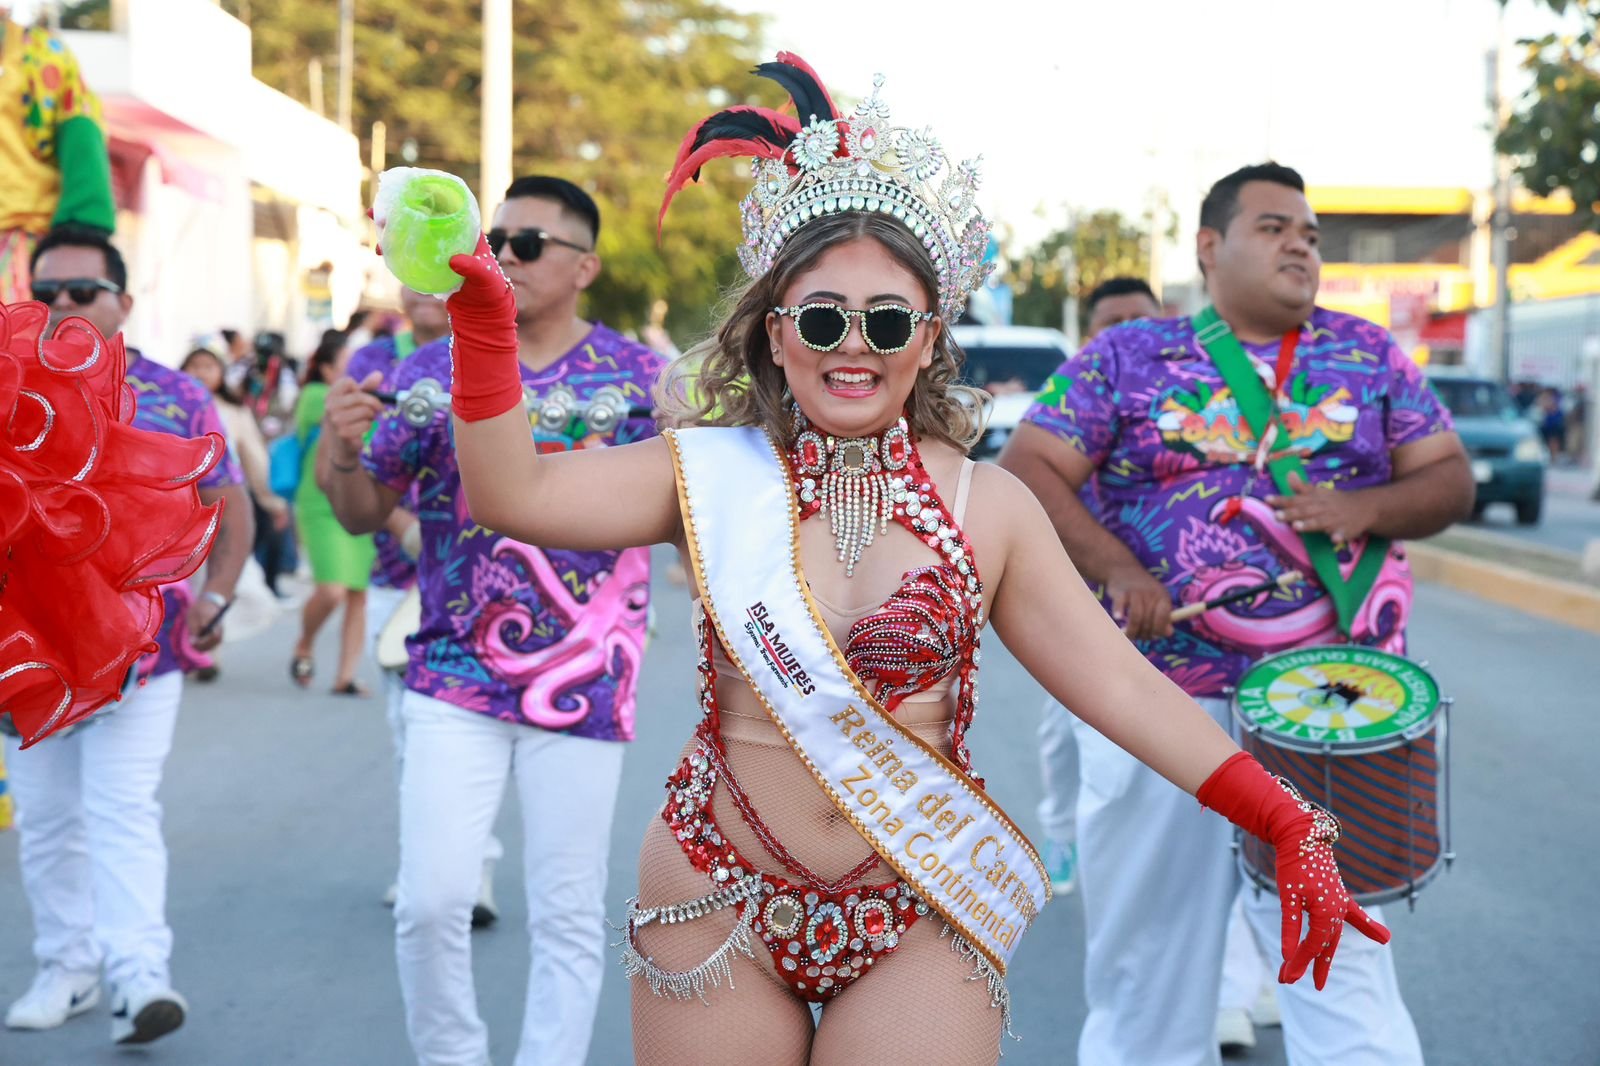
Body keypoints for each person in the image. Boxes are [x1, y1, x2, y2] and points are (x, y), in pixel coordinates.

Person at [431, 60, 1388, 1066]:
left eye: (887, 320)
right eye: (821, 317)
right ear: (773, 329)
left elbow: (1118, 685)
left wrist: (1282, 820)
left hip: (918, 905)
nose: (855, 346)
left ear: (928, 339)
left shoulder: (992, 507)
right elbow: (512, 496)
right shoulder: (703, 472)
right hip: (713, 888)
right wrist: (485, 332)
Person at [1000, 161, 1474, 1066]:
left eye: (1311, 233)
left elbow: (1449, 478)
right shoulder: (1125, 356)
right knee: (1151, 969)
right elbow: (1028, 470)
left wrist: (1363, 509)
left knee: (1342, 964)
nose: (1302, 242)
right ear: (1210, 249)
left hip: (1328, 710)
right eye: (1275, 227)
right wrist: (1118, 569)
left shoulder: (1367, 353)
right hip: (1157, 696)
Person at [320, 174, 666, 1066]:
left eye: (526, 244)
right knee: (431, 900)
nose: (501, 256)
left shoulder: (642, 381)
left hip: (586, 677)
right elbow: (361, 512)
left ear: (585, 265)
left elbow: (697, 513)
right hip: (450, 670)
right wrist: (340, 447)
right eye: (495, 238)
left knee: (566, 908)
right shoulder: (427, 369)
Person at [4, 227, 253, 1046]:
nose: (64, 306)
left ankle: (140, 975)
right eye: (49, 292)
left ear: (124, 302)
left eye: (83, 292)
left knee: (119, 809)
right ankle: (66, 968)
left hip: (148, 651)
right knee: (44, 818)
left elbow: (228, 500)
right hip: (30, 657)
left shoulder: (176, 394)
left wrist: (217, 594)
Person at [339, 288, 499, 923]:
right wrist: (404, 523)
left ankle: (474, 872)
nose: (424, 289)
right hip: (394, 576)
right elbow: (358, 467)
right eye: (414, 273)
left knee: (480, 733)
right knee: (412, 732)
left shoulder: (492, 355)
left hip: (481, 588)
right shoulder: (373, 360)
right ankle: (425, 867)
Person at [1034, 275, 1163, 895]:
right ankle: (1061, 830)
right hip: (1080, 603)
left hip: (1164, 614)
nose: (1130, 333)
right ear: (1089, 337)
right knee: (1063, 734)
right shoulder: (1069, 399)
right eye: (1114, 323)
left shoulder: (1179, 407)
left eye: (1143, 319)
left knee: (1133, 755)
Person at [0, 12, 115, 302]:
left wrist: (84, 225)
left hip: (22, 242)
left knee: (21, 338)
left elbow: (80, 133)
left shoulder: (42, 54)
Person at [289, 328, 376, 695]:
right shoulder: (315, 395)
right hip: (320, 504)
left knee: (358, 592)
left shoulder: (368, 401)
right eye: (347, 365)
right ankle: (305, 640)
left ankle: (345, 675)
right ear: (327, 370)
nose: (355, 372)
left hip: (362, 497)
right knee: (332, 591)